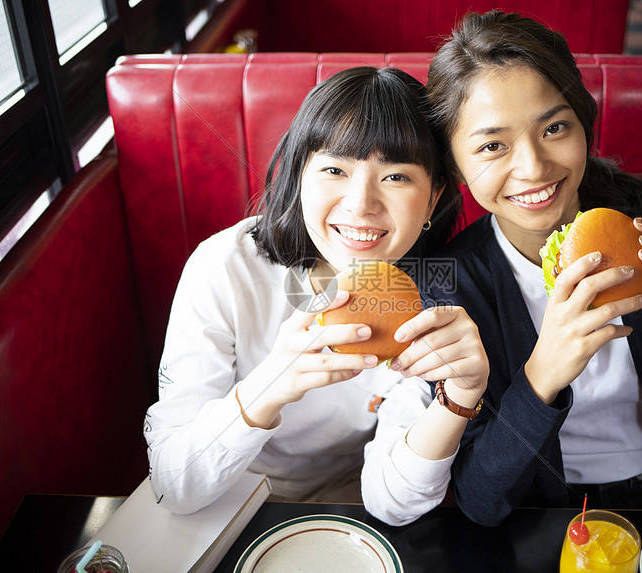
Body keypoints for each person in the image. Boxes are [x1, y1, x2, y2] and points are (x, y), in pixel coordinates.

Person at [422, 10, 642, 526]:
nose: (533, 167)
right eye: (492, 146)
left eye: (554, 127)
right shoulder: (447, 282)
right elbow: (482, 501)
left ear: (584, 123)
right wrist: (541, 375)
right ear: (455, 163)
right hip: (539, 514)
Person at [144, 66, 489, 526]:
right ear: (298, 175)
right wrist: (270, 384)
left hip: (347, 511)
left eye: (396, 177)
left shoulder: (432, 297)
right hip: (222, 505)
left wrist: (458, 398)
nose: (360, 202)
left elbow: (393, 503)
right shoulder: (224, 268)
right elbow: (172, 484)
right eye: (334, 169)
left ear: (432, 198)